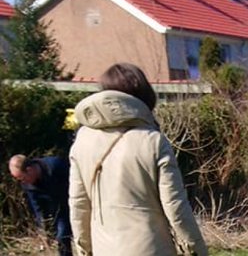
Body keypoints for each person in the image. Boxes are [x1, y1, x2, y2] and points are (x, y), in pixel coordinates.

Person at [68, 63, 208, 256]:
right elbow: (175, 207)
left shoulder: (82, 141)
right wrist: (196, 250)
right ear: (144, 95)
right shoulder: (153, 141)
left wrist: (84, 250)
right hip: (151, 248)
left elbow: (78, 205)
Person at [9, 154, 73, 256]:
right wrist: (43, 231)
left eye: (21, 178)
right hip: (59, 211)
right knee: (62, 238)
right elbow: (38, 209)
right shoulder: (28, 184)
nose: (22, 182)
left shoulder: (56, 165)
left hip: (74, 203)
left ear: (29, 170)